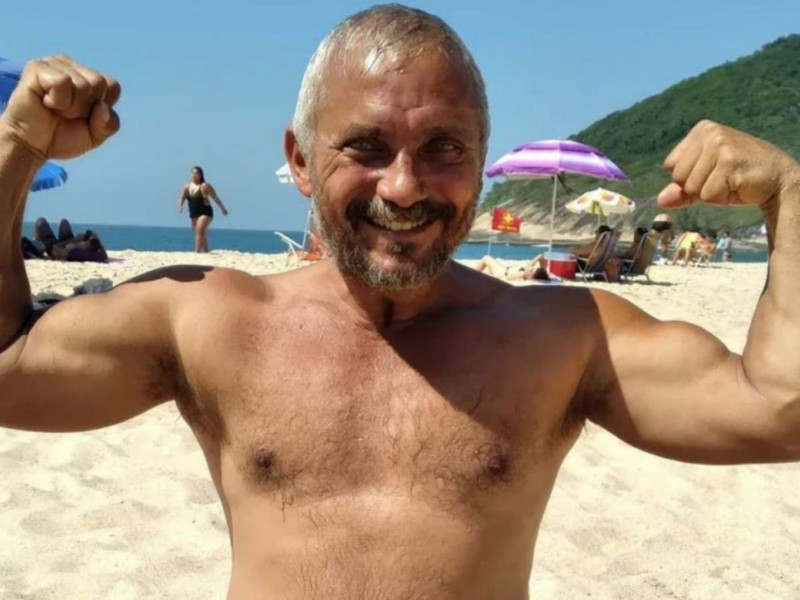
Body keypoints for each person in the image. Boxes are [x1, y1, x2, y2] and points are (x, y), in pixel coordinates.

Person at [2, 9, 800, 599]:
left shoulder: (563, 339)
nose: (406, 186)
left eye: (444, 148)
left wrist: (790, 196)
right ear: (301, 160)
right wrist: (17, 150)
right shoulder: (211, 319)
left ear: (480, 162)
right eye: (367, 147)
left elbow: (780, 412)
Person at [177, 166, 228, 253]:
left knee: (199, 231)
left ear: (200, 175)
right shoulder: (187, 186)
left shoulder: (205, 186)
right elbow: (182, 197)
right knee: (200, 233)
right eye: (192, 173)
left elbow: (215, 197)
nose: (194, 175)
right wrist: (180, 206)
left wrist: (222, 208)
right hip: (193, 213)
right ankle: (206, 251)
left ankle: (196, 252)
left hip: (205, 212)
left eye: (196, 173)